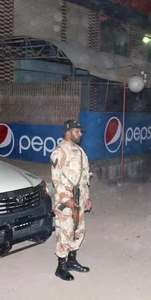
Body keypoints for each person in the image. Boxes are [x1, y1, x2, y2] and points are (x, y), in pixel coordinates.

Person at [50, 120, 92, 281]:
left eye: (80, 131)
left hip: (79, 197)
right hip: (65, 198)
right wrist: (66, 199)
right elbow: (56, 180)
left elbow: (85, 177)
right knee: (65, 232)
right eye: (77, 131)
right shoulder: (59, 152)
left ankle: (72, 261)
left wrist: (86, 197)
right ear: (68, 132)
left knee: (78, 230)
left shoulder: (81, 152)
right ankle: (61, 267)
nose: (80, 134)